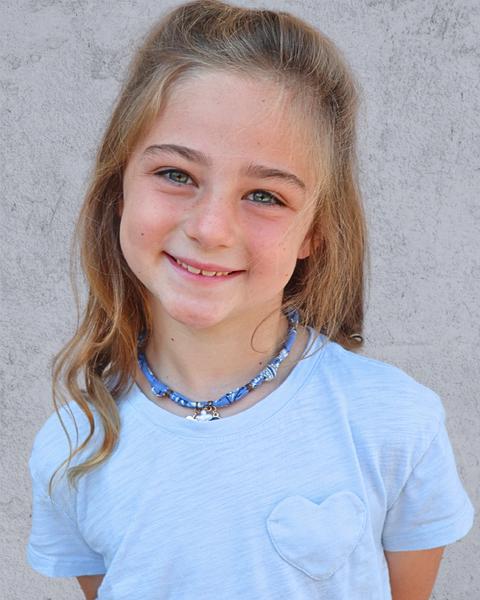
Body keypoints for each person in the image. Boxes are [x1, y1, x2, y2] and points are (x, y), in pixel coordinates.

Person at [26, 1, 475, 599]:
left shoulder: (393, 421)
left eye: (264, 195)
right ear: (118, 191)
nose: (211, 228)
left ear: (316, 231)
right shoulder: (74, 447)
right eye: (177, 175)